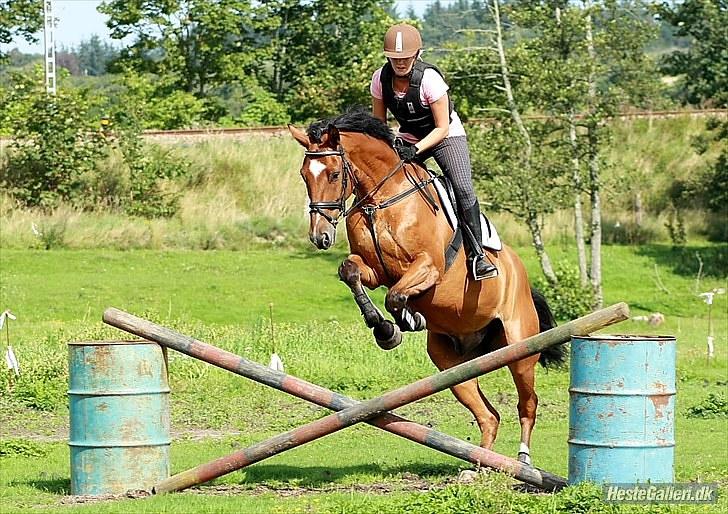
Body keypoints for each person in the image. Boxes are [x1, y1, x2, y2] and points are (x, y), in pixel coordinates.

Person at [370, 23, 498, 280]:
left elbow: (441, 127)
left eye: (406, 57)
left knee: (462, 187)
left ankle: (477, 255)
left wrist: (415, 149)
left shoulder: (430, 79)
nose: (401, 63)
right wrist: (391, 148)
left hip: (446, 135)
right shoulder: (379, 79)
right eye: (395, 58)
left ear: (416, 55)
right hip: (409, 136)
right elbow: (378, 126)